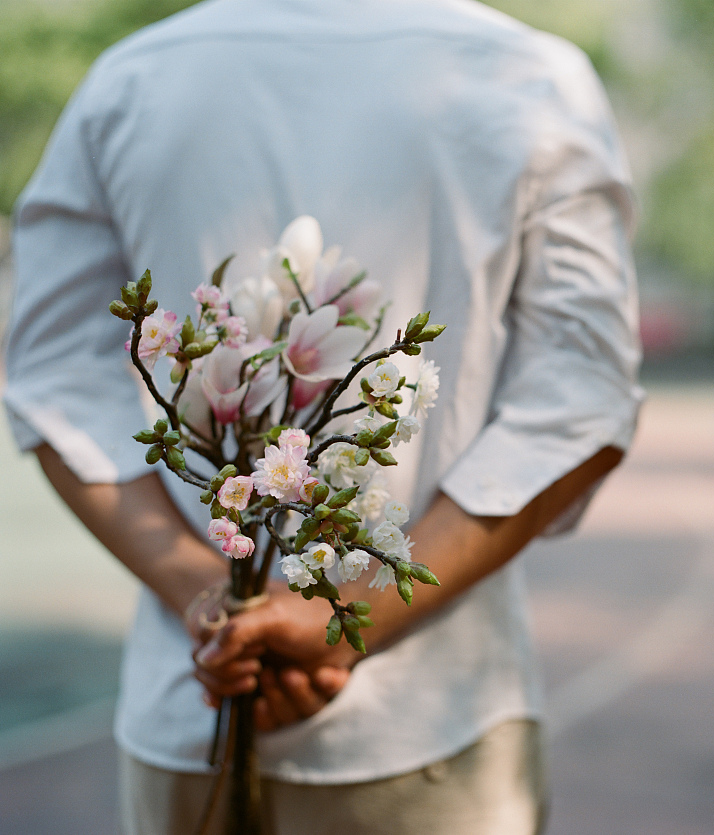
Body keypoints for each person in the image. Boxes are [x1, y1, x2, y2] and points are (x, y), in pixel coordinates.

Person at [3, 0, 644, 832]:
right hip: (430, 718)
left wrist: (214, 601)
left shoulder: (131, 80)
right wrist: (347, 614)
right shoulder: (528, 79)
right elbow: (583, 397)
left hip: (193, 699)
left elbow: (50, 373)